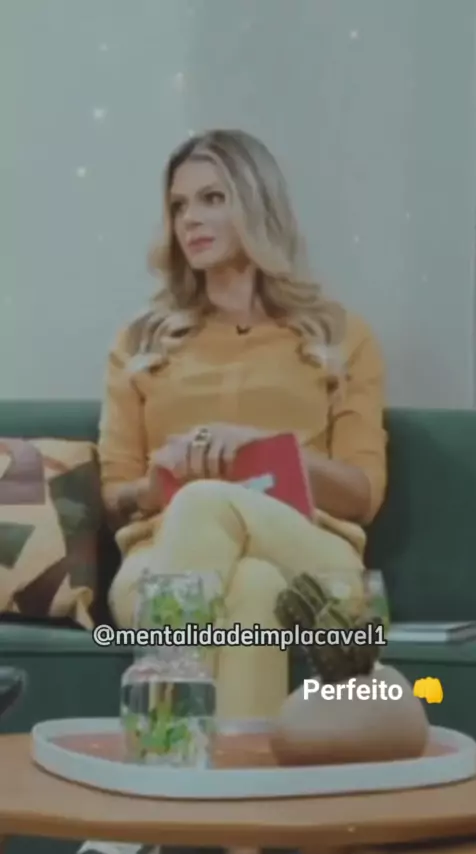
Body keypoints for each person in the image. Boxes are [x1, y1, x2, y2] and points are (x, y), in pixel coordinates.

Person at [78, 128, 387, 854]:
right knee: (248, 590)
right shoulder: (141, 342)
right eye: (179, 205)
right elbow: (114, 493)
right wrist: (157, 482)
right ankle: (244, 841)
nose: (191, 219)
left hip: (313, 561)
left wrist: (267, 450)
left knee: (210, 506)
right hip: (160, 567)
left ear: (257, 204)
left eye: (212, 199)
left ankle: (141, 814)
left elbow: (363, 492)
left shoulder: (337, 335)